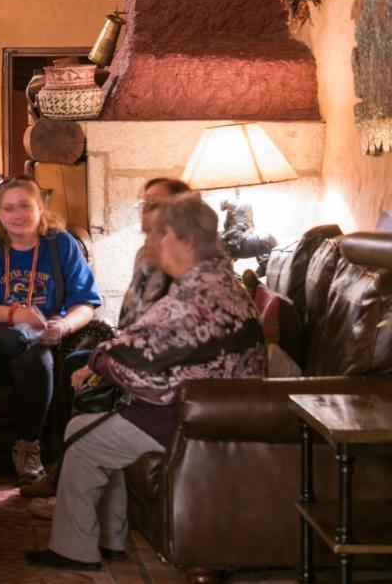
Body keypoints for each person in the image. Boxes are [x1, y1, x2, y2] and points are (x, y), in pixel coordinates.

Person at [27, 193, 266, 571]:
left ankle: (74, 551)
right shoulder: (217, 280)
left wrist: (98, 360)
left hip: (194, 415)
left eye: (159, 235)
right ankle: (109, 540)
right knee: (88, 427)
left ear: (185, 240)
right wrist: (105, 356)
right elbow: (144, 337)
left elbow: (138, 356)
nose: (152, 244)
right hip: (210, 406)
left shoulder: (195, 295)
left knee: (84, 441)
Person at [0, 175, 102, 484]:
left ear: (40, 207)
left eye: (24, 206)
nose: (17, 215)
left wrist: (63, 325)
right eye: (8, 208)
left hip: (38, 342)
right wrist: (14, 314)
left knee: (34, 356)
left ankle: (28, 449)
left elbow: (86, 304)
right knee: (20, 342)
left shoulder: (61, 245)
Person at [118, 177, 192, 329]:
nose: (145, 210)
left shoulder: (189, 258)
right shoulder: (142, 255)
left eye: (154, 204)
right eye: (144, 203)